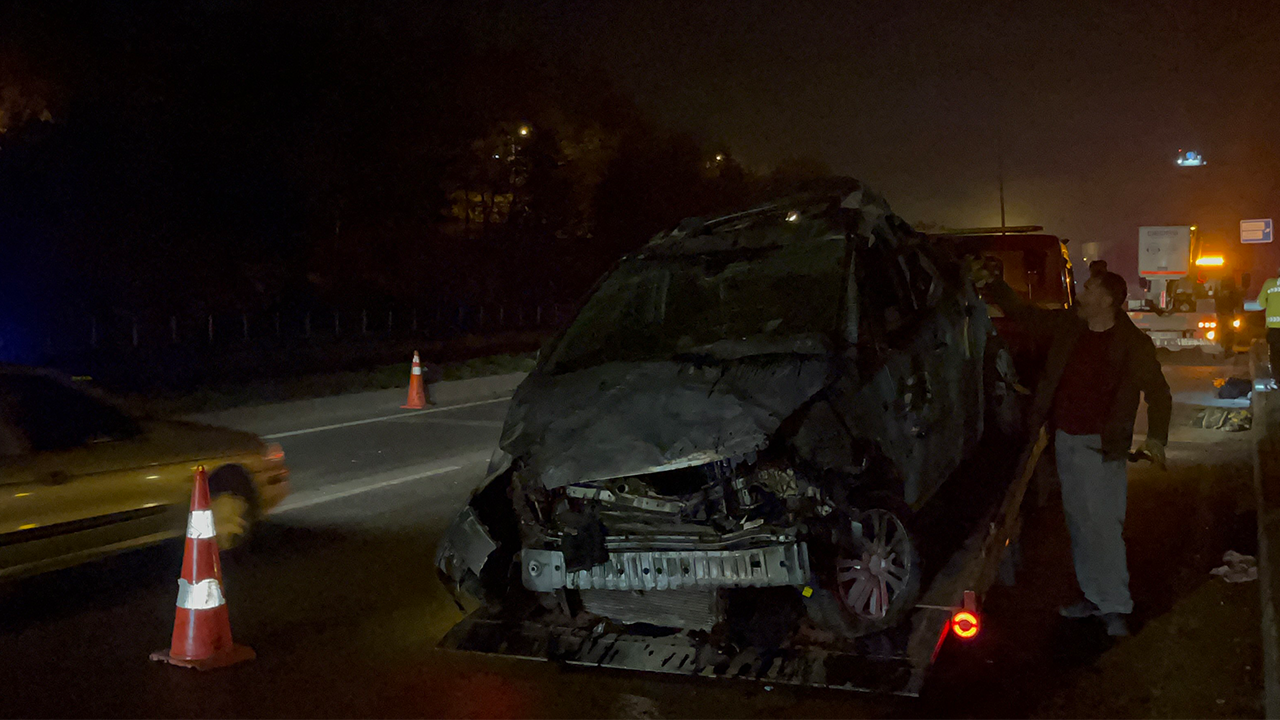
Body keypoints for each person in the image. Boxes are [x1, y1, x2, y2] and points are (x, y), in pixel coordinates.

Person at [976, 264, 1171, 637]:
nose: (1080, 294)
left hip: (1103, 449)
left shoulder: (1132, 344)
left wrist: (1156, 438)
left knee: (1104, 528)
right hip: (1067, 442)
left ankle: (1115, 606)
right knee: (1080, 524)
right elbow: (1027, 316)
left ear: (1107, 300)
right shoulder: (1070, 326)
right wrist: (994, 285)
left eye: (1089, 289)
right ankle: (1093, 596)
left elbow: (1159, 393)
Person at [1256, 269, 1280, 372]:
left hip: (1274, 328)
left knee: (1275, 355)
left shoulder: (1269, 284)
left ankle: (1277, 378)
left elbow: (1261, 304)